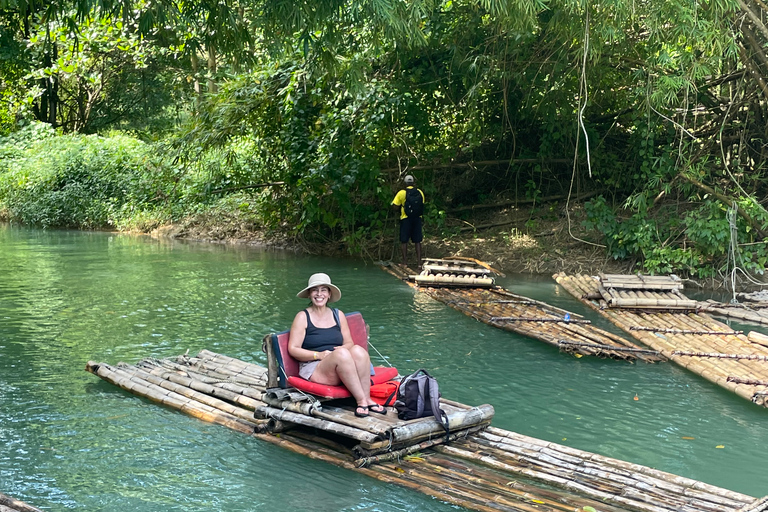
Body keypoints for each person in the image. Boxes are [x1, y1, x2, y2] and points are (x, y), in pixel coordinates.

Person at [288, 272, 386, 418]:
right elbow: (293, 349)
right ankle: (361, 401)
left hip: (341, 364)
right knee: (342, 354)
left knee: (358, 350)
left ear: (329, 294)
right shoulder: (303, 317)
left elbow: (349, 343)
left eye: (323, 290)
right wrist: (318, 355)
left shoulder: (337, 314)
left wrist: (343, 350)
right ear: (309, 294)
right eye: (315, 290)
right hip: (315, 367)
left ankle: (368, 398)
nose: (319, 294)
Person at [391, 174, 425, 266]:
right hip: (417, 218)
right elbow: (421, 204)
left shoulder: (401, 193)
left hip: (406, 218)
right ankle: (419, 263)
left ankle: (405, 262)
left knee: (404, 241)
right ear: (413, 183)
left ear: (405, 183)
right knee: (417, 241)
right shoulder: (420, 192)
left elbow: (395, 206)